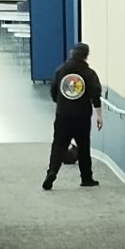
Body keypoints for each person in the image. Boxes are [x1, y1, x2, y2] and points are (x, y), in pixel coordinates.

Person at [43, 43, 103, 189]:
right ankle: (86, 178)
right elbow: (95, 94)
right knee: (83, 147)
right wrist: (99, 115)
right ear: (86, 55)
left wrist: (61, 104)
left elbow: (53, 91)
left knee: (58, 145)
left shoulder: (61, 70)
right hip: (82, 116)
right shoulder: (89, 73)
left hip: (63, 115)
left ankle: (52, 172)